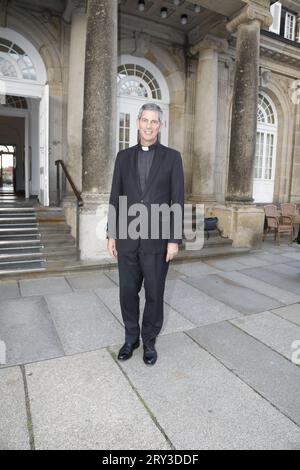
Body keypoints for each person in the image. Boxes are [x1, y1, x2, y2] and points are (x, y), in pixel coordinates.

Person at [107, 103, 184, 366]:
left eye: (155, 121)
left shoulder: (173, 157)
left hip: (158, 240)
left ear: (160, 126)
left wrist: (173, 239)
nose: (149, 126)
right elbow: (115, 197)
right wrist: (111, 233)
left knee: (154, 293)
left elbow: (177, 200)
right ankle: (131, 339)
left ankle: (149, 341)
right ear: (138, 123)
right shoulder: (123, 157)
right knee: (127, 292)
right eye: (145, 120)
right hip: (127, 239)